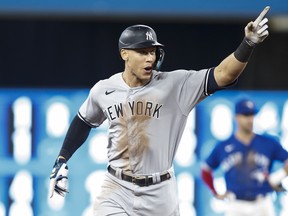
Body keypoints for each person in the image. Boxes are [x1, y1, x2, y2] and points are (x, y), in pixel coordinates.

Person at [49, 6, 271, 216]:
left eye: (153, 52)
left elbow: (224, 74)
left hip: (160, 191)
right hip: (116, 186)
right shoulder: (104, 89)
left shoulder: (175, 85)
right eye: (143, 52)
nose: (150, 58)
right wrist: (62, 158)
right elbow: (84, 120)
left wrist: (247, 44)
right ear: (124, 54)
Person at [201, 98, 288, 216]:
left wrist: (276, 177)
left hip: (263, 203)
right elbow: (206, 170)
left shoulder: (268, 143)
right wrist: (215, 192)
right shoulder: (224, 146)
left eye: (252, 114)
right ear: (236, 117)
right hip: (236, 205)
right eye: (245, 115)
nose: (250, 119)